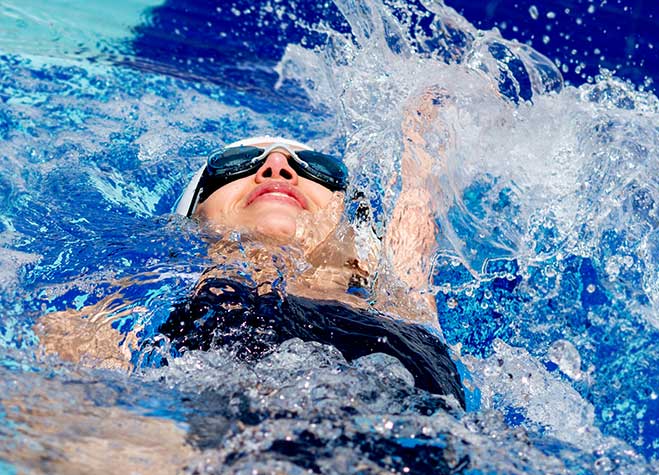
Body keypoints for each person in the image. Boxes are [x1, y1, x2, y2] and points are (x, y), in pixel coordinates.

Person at [38, 100, 464, 403]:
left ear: (353, 235)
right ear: (192, 217)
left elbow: (412, 246)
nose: (277, 165)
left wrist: (421, 169)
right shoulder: (139, 302)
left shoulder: (401, 305)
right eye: (238, 161)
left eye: (317, 167)